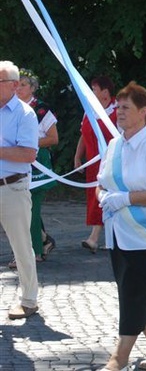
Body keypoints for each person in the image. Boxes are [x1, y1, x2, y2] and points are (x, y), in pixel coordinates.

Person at [95, 82, 146, 371]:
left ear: (144, 111)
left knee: (133, 296)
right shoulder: (113, 144)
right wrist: (105, 197)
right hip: (118, 235)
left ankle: (118, 358)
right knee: (137, 297)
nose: (118, 112)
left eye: (125, 107)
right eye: (117, 107)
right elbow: (100, 183)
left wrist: (127, 198)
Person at [0, 61, 40, 320]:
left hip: (12, 187)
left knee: (21, 246)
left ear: (13, 86)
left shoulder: (25, 114)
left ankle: (29, 300)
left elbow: (28, 153)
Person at [11, 69, 58, 267]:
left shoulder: (41, 109)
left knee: (30, 207)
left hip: (37, 166)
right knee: (19, 208)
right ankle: (43, 241)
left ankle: (34, 251)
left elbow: (53, 138)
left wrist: (30, 143)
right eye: (17, 84)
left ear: (32, 88)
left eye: (23, 85)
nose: (19, 88)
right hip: (15, 164)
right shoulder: (10, 108)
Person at [75, 75, 118, 253]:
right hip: (93, 164)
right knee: (94, 198)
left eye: (94, 89)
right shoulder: (89, 110)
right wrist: (78, 157)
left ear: (105, 92)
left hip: (112, 163)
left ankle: (94, 238)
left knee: (103, 198)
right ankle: (103, 237)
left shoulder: (118, 111)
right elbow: (84, 136)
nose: (91, 93)